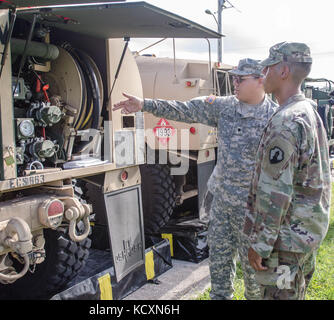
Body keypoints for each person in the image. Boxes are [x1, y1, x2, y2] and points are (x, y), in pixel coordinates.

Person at [113, 58, 277, 300]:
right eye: (233, 78)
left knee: (255, 283)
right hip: (222, 208)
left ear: (260, 80)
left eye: (240, 79)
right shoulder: (224, 107)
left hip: (253, 213)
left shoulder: (276, 118)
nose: (234, 83)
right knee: (219, 276)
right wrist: (144, 104)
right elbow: (183, 109)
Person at [243, 42, 331, 300]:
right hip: (303, 238)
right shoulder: (308, 111)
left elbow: (275, 194)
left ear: (283, 71)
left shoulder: (286, 120)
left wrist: (259, 244)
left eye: (268, 67)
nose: (263, 74)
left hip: (284, 244)